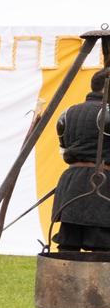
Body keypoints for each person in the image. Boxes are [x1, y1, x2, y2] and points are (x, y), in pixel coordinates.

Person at [52, 66, 110, 251]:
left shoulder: (67, 113)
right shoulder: (107, 113)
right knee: (103, 246)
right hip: (101, 183)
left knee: (69, 244)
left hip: (71, 182)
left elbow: (63, 150)